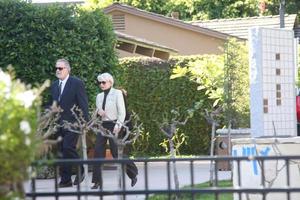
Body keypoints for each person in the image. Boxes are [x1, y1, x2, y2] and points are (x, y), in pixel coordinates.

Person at [91, 72, 138, 189]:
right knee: (97, 152)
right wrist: (98, 112)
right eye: (100, 82)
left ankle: (133, 174)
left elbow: (122, 112)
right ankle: (97, 181)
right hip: (103, 125)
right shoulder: (99, 96)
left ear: (110, 82)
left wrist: (118, 125)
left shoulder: (117, 93)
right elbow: (96, 113)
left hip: (114, 124)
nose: (101, 84)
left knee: (116, 152)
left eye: (103, 82)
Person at [49, 58, 89, 188]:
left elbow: (83, 103)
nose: (58, 70)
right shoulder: (54, 85)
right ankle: (66, 180)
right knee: (61, 151)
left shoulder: (77, 83)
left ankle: (81, 169)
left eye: (60, 68)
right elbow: (53, 104)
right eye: (56, 68)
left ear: (68, 69)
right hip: (58, 123)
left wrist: (85, 121)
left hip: (73, 123)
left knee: (68, 147)